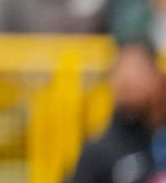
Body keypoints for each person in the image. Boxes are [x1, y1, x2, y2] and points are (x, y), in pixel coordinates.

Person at [68, 40, 164, 183]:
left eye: (138, 69)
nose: (129, 80)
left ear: (158, 78)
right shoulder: (98, 152)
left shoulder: (159, 141)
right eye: (122, 69)